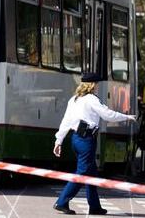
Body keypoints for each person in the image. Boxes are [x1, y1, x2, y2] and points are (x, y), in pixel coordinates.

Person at [53, 72, 137, 215]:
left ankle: (94, 206)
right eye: (96, 84)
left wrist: (58, 141)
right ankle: (61, 202)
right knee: (82, 173)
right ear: (92, 85)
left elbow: (66, 121)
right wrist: (126, 117)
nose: (97, 87)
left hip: (76, 138)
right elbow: (107, 114)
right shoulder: (91, 99)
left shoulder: (74, 99)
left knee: (91, 174)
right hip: (86, 141)